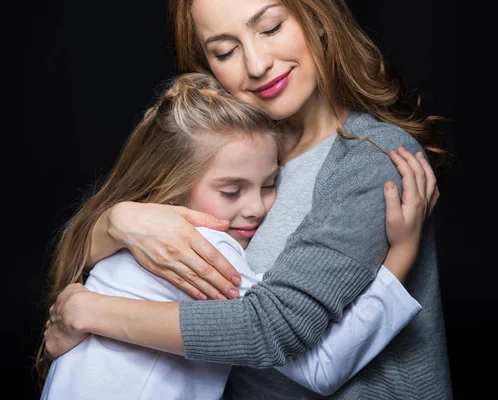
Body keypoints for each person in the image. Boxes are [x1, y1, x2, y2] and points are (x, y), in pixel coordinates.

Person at [43, 0, 453, 398]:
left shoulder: (371, 158)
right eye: (225, 51)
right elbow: (77, 266)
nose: (257, 65)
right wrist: (116, 221)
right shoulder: (218, 152)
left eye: (271, 28)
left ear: (318, 19)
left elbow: (274, 331)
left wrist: (90, 312)